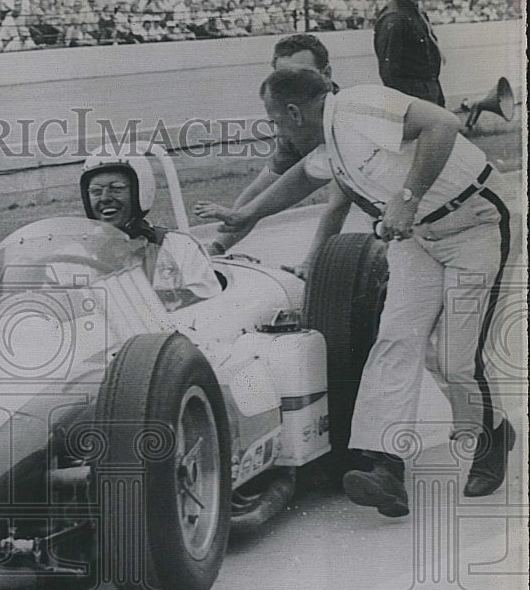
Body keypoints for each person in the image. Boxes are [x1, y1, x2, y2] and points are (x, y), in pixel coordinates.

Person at [193, 68, 515, 515]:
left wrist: (407, 197)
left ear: (293, 111)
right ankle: (385, 466)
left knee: (458, 356)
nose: (277, 132)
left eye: (275, 121)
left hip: (476, 221)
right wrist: (243, 214)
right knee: (395, 342)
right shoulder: (330, 142)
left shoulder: (358, 106)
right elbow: (302, 179)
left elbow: (443, 123)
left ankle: (490, 437)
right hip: (419, 236)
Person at [208, 34, 351, 279]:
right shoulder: (292, 122)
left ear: (326, 74)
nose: (290, 86)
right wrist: (215, 248)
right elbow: (260, 192)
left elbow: (338, 205)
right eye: (282, 78)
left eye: (301, 75)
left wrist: (311, 262)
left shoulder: (340, 115)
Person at [81, 148, 222, 307]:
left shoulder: (179, 246)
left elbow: (210, 304)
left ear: (140, 191)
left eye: (117, 188)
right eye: (95, 191)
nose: (105, 198)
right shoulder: (77, 254)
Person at [374, 0, 445, 107]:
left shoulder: (415, 11)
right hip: (411, 95)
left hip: (429, 88)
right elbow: (389, 71)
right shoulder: (395, 17)